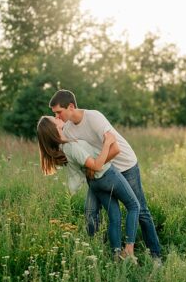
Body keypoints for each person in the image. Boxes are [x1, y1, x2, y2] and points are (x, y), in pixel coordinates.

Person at [49, 89, 162, 261]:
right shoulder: (69, 130)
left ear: (71, 106)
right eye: (55, 114)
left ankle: (156, 256)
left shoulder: (94, 117)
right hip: (103, 172)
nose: (57, 117)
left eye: (59, 112)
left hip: (124, 165)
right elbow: (79, 155)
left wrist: (95, 167)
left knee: (140, 210)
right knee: (91, 211)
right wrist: (93, 168)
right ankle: (103, 254)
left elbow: (115, 149)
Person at [37, 115, 140, 261]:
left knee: (114, 216)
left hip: (95, 183)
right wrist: (107, 143)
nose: (58, 118)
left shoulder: (64, 146)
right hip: (107, 175)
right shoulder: (71, 147)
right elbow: (97, 166)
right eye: (56, 120)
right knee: (134, 206)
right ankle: (129, 249)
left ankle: (117, 255)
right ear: (55, 128)